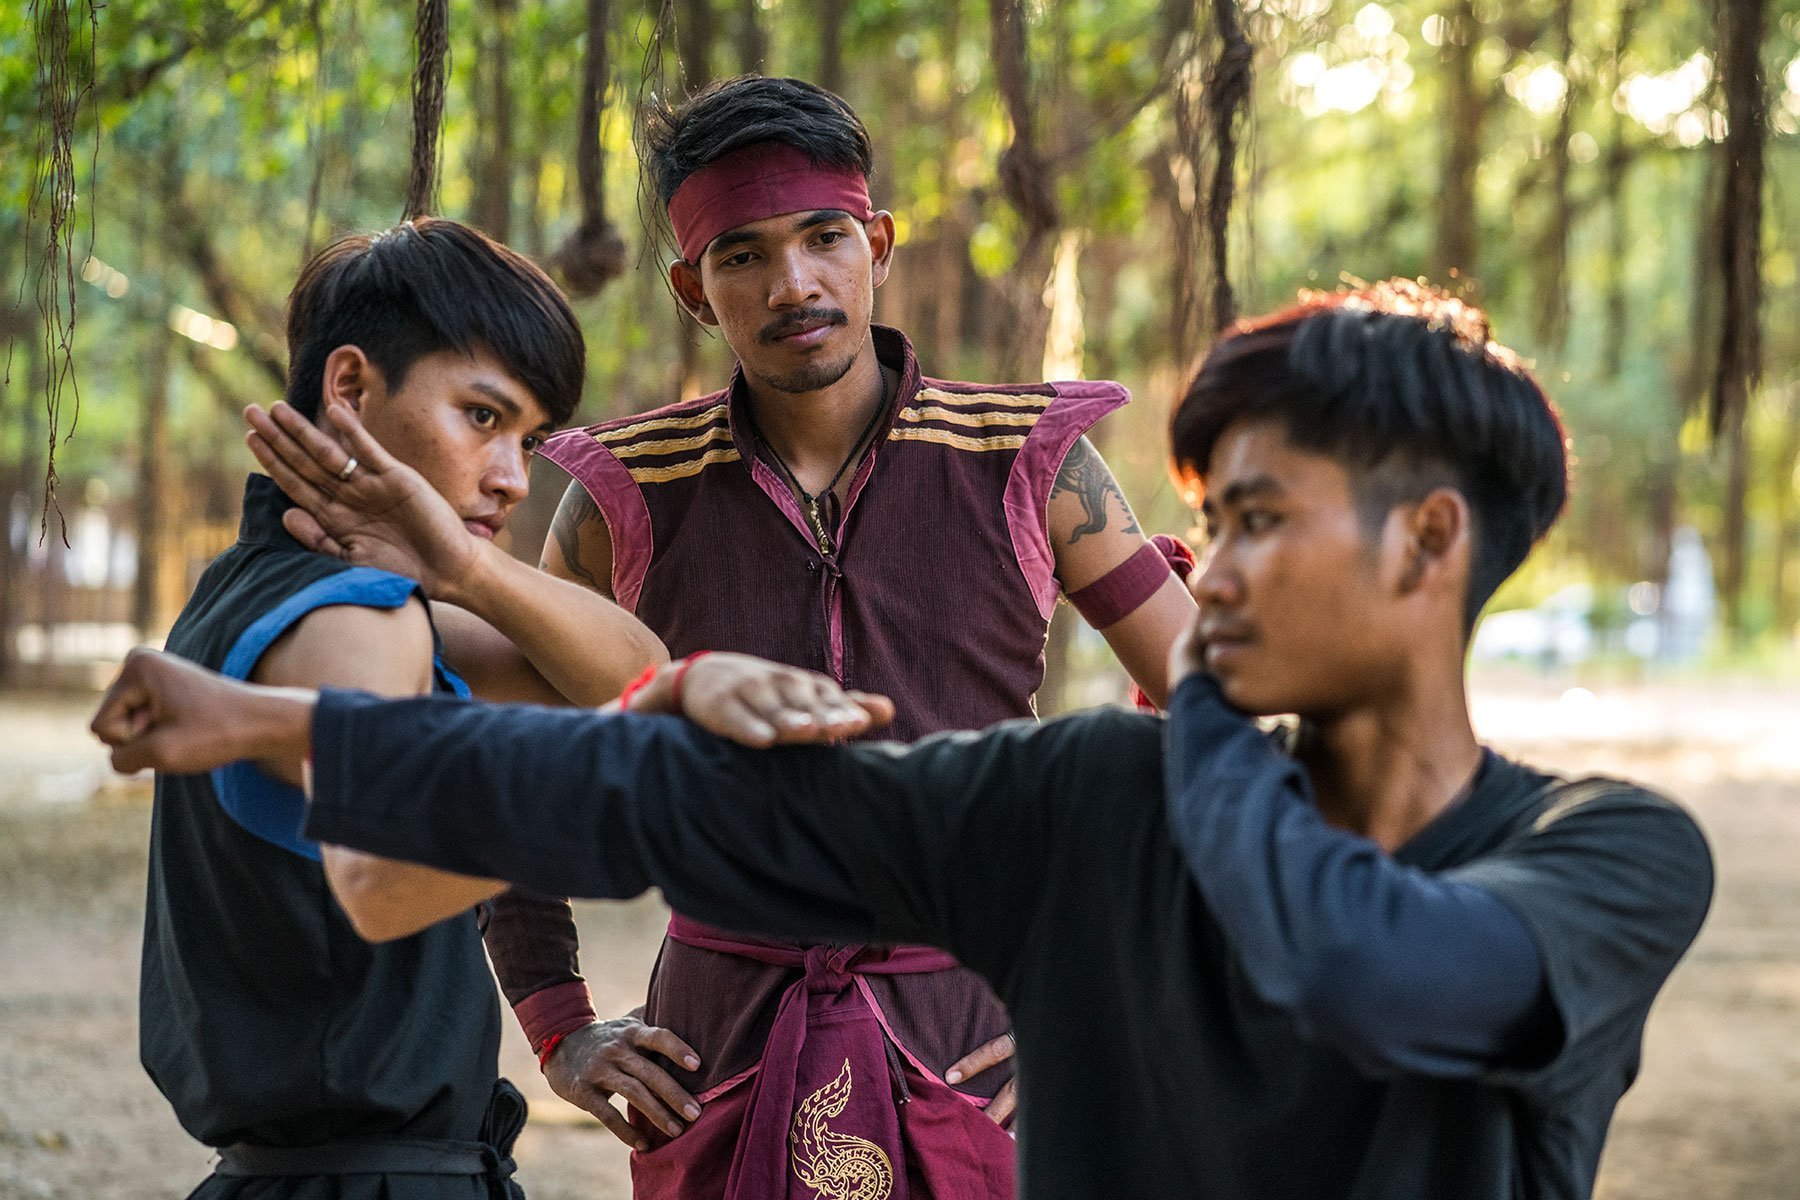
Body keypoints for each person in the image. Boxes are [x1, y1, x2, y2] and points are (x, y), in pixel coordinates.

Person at [97, 282, 1715, 1200]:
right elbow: (668, 801)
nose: (1202, 573)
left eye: (1260, 523)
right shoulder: (1083, 792)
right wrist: (269, 719)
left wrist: (1201, 708)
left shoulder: (1603, 853)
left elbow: (1372, 967)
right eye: (1206, 522)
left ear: (1430, 547)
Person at [484, 73, 1196, 1196]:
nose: (793, 283)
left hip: (984, 1030)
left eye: (824, 237)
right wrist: (560, 1023)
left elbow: (1218, 715)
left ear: (878, 243)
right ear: (691, 286)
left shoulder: (1029, 457)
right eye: (743, 254)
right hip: (718, 1043)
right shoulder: (625, 489)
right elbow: (507, 767)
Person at [136, 217, 666, 1199]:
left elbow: (636, 676)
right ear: (348, 388)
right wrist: (632, 811)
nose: (513, 476)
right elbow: (385, 869)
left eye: (530, 439)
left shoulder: (258, 584)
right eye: (480, 417)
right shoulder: (358, 620)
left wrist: (466, 567)